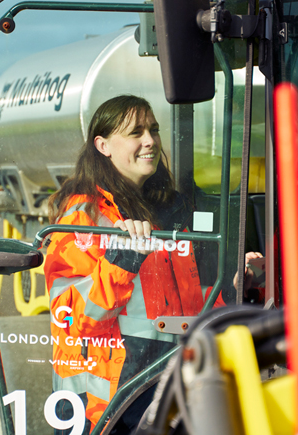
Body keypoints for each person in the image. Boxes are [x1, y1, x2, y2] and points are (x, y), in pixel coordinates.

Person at [44, 95, 259, 434]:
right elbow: (71, 319)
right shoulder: (84, 217)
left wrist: (232, 292)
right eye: (136, 132)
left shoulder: (166, 212)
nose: (150, 141)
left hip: (161, 384)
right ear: (103, 145)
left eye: (154, 130)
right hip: (106, 407)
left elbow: (180, 309)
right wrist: (123, 258)